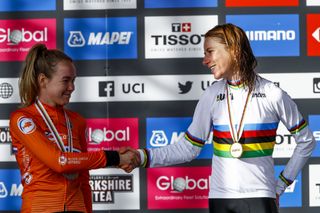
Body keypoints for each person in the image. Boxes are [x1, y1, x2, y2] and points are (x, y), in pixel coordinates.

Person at [125, 23, 316, 213]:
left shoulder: (271, 93)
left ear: (233, 50)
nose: (205, 60)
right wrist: (142, 156)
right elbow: (188, 147)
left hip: (259, 196)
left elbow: (306, 141)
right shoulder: (211, 94)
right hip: (220, 198)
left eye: (210, 52)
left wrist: (281, 184)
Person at [9, 44, 139, 213]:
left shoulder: (76, 120)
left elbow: (84, 178)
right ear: (43, 81)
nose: (72, 87)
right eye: (66, 80)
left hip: (77, 207)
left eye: (73, 80)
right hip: (40, 207)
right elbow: (59, 162)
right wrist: (114, 157)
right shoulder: (23, 118)